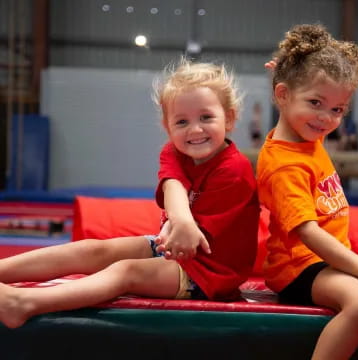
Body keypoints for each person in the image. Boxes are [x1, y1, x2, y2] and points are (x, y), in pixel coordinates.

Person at [0, 59, 260, 329]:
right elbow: (173, 184)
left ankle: (23, 303)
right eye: (182, 121)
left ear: (229, 118)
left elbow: (190, 242)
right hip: (173, 248)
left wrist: (179, 223)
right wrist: (179, 220)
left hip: (210, 272)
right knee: (95, 249)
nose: (195, 129)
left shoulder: (234, 170)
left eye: (206, 117)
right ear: (167, 125)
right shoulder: (172, 151)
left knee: (126, 271)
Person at [258, 24, 358, 360]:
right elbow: (308, 233)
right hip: (299, 269)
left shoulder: (306, 132)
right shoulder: (286, 164)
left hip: (324, 261)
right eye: (316, 103)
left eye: (338, 109)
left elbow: (306, 97)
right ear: (282, 96)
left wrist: (289, 74)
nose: (326, 118)